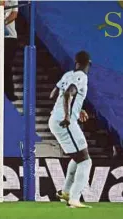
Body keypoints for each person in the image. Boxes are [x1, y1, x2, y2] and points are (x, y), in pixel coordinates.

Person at [49, 51, 92, 208]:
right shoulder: (82, 76)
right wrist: (68, 115)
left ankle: (66, 192)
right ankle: (75, 197)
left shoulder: (68, 75)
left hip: (56, 119)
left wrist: (77, 109)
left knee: (78, 157)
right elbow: (68, 93)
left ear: (76, 61)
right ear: (89, 63)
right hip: (65, 121)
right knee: (86, 161)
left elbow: (53, 94)